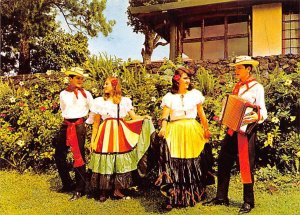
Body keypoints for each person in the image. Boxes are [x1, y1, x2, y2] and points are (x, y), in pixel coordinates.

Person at [203, 56, 268, 214]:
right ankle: (221, 197)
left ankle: (248, 202)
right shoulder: (238, 86)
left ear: (248, 69)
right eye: (235, 68)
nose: (236, 71)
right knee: (223, 161)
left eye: (239, 68)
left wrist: (257, 116)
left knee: (246, 165)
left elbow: (263, 110)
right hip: (232, 130)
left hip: (246, 132)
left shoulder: (257, 87)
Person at [88, 76, 155, 202]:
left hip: (120, 133)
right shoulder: (99, 102)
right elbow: (96, 124)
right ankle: (104, 190)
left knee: (119, 161)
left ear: (114, 86)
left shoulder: (124, 101)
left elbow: (133, 117)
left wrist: (144, 117)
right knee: (105, 160)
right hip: (105, 133)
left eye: (106, 84)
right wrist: (93, 141)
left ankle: (117, 190)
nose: (103, 86)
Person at [156, 66, 214, 210]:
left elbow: (202, 115)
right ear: (177, 80)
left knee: (192, 162)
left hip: (192, 129)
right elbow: (165, 115)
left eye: (189, 78)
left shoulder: (195, 94)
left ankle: (193, 194)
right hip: (175, 130)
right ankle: (173, 196)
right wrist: (163, 127)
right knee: (176, 163)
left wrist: (206, 129)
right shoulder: (169, 97)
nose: (188, 81)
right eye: (185, 78)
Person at [54, 67, 94, 201]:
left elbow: (93, 110)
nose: (80, 80)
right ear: (70, 79)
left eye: (82, 78)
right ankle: (67, 183)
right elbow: (63, 109)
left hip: (78, 126)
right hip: (66, 125)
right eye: (78, 78)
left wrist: (85, 122)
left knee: (78, 155)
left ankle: (79, 189)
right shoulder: (63, 94)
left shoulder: (86, 94)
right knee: (59, 154)